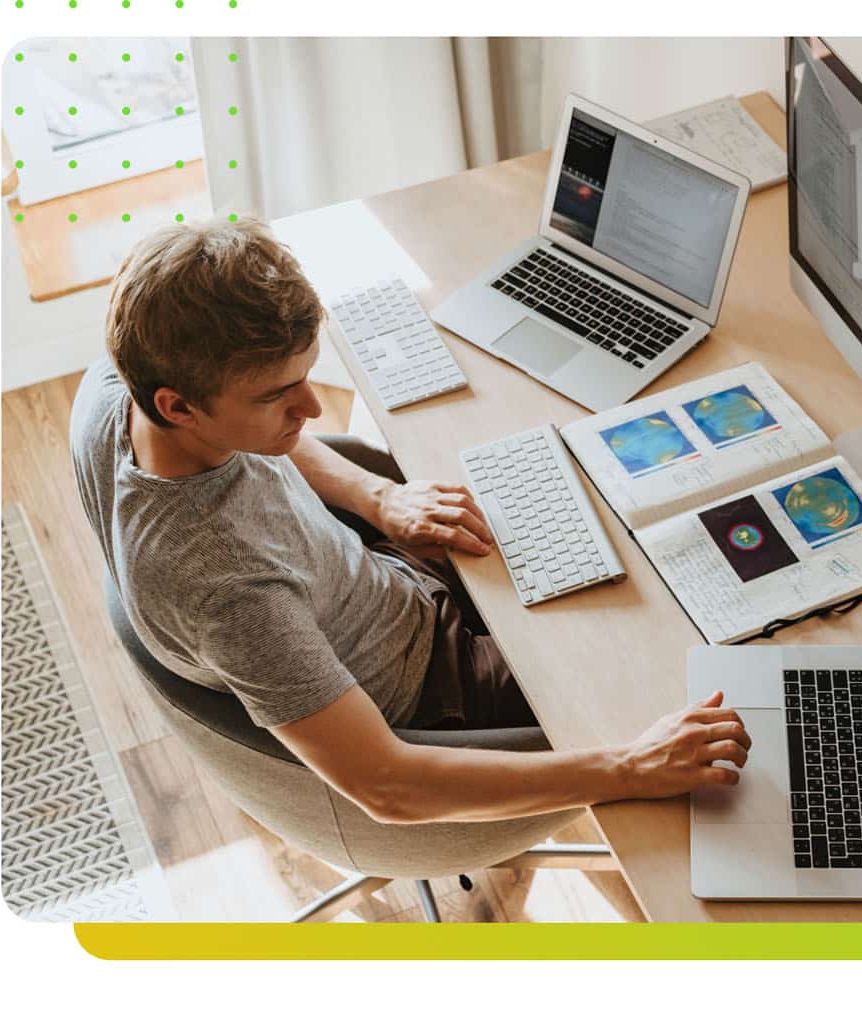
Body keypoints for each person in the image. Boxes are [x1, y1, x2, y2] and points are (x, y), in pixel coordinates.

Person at [71, 215, 749, 824]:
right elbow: (388, 786)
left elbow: (271, 438)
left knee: (608, 515)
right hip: (434, 694)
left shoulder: (122, 387)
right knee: (684, 667)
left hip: (380, 582)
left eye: (307, 376)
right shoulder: (226, 592)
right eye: (279, 395)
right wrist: (629, 768)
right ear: (179, 406)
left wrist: (378, 499)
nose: (311, 408)